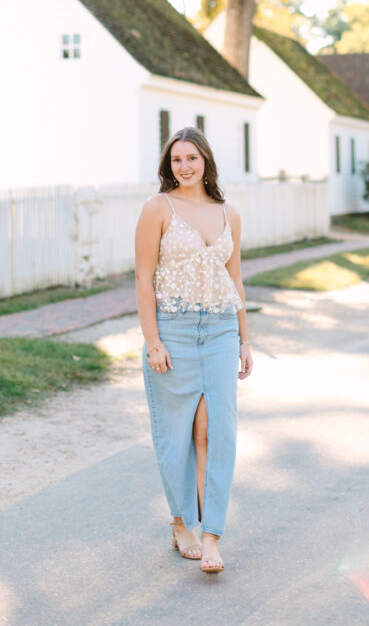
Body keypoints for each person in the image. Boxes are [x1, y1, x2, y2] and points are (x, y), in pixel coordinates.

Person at [135, 126, 253, 574]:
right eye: (177, 159)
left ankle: (212, 536)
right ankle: (181, 521)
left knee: (215, 431)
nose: (184, 167)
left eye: (192, 158)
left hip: (221, 329)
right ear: (169, 165)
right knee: (176, 435)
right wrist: (153, 341)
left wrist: (245, 338)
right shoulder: (157, 209)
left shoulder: (229, 214)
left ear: (206, 161)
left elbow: (235, 279)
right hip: (175, 329)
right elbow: (144, 279)